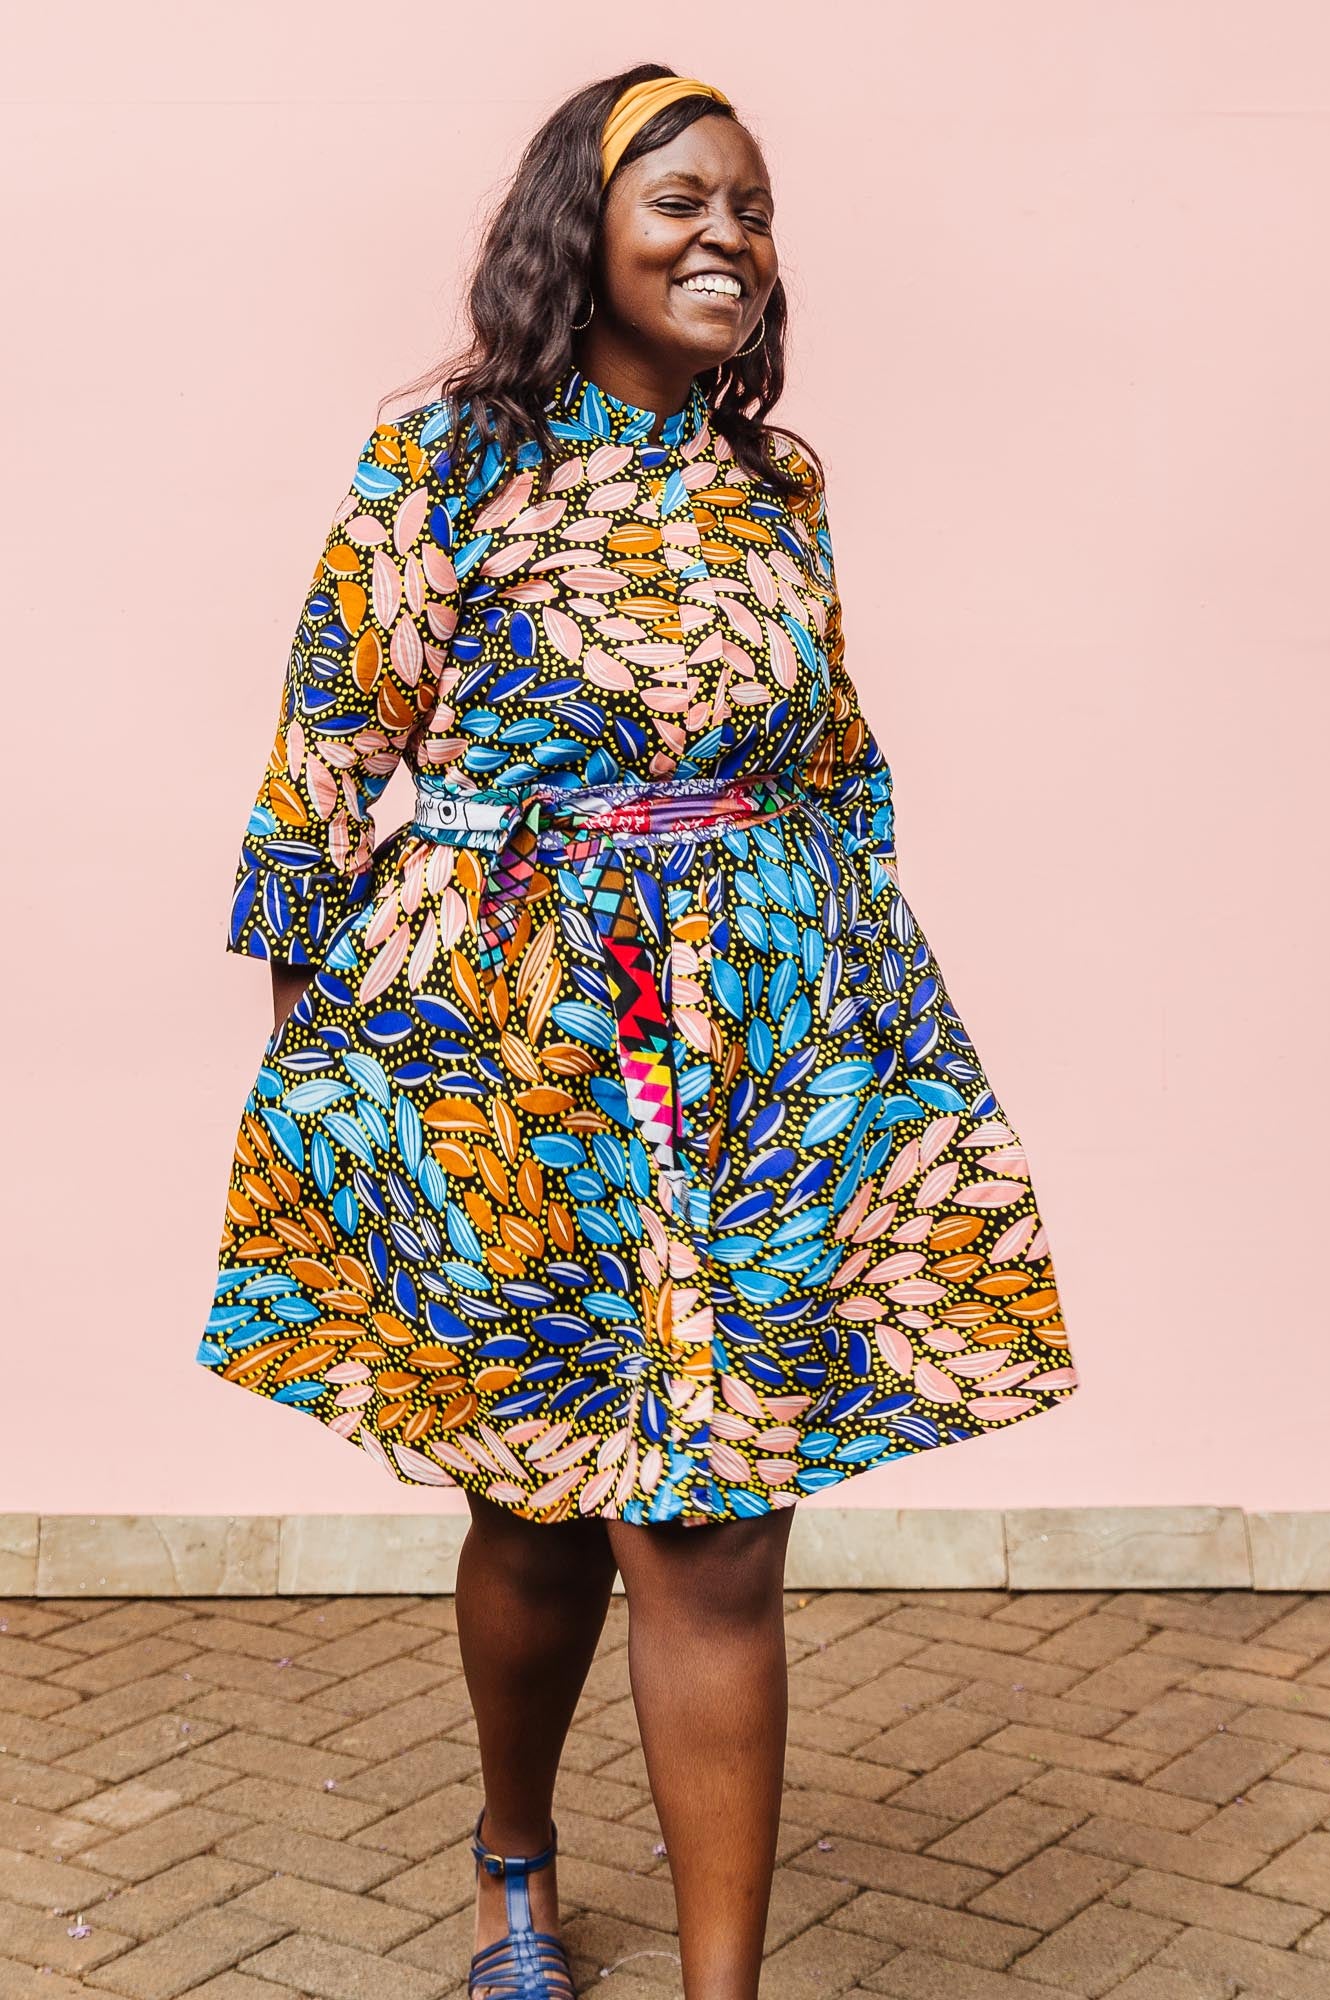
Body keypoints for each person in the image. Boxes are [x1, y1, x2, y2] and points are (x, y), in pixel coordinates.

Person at [197, 62, 1078, 2000]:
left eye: (755, 207)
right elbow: (329, 757)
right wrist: (343, 1094)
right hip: (518, 1055)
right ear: (574, 223)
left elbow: (836, 770)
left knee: (713, 1529)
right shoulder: (442, 461)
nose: (729, 237)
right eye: (684, 195)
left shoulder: (782, 486)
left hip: (754, 1060)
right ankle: (515, 1855)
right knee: (536, 1507)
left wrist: (865, 1050)